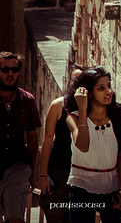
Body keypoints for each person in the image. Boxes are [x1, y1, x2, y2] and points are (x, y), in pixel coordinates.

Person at [64, 66, 121, 223]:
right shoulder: (73, 118)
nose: (108, 91)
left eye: (108, 86)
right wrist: (82, 109)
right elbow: (83, 145)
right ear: (88, 93)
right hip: (81, 186)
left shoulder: (118, 116)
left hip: (112, 188)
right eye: (101, 88)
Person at [37, 64, 85, 223]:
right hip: (57, 171)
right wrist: (43, 175)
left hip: (80, 174)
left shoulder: (91, 109)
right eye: (75, 80)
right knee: (55, 216)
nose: (78, 85)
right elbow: (47, 139)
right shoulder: (58, 105)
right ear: (69, 81)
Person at [0, 52, 41, 223]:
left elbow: (33, 138)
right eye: (5, 69)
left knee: (16, 217)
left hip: (17, 165)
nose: (10, 73)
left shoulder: (27, 100)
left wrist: (33, 173)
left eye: (14, 69)